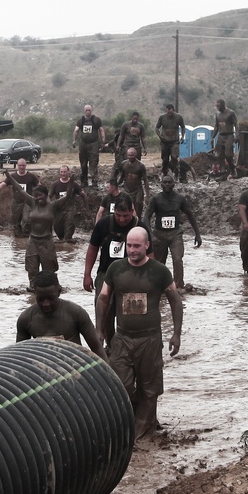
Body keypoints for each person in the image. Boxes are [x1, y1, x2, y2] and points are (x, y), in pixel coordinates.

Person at [96, 226, 183, 440]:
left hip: (150, 339)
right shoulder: (116, 269)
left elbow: (175, 300)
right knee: (121, 385)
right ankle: (136, 421)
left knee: (149, 388)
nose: (132, 250)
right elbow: (104, 298)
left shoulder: (159, 271)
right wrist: (99, 330)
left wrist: (176, 334)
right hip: (122, 338)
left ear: (146, 245)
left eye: (137, 246)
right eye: (129, 245)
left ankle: (143, 435)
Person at [83, 193, 152, 340]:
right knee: (104, 312)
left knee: (132, 313)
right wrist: (87, 274)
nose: (121, 219)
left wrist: (150, 280)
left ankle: (130, 343)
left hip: (133, 276)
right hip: (106, 274)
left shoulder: (140, 228)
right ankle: (108, 342)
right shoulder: (103, 225)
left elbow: (150, 255)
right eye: (118, 215)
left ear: (132, 211)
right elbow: (92, 248)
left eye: (126, 216)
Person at [16, 272, 106, 359]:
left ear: (59, 291)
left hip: (74, 367)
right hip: (43, 368)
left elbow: (97, 349)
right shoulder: (26, 319)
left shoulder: (76, 313)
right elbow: (19, 355)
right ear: (34, 293)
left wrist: (107, 373)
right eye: (41, 299)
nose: (46, 304)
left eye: (51, 298)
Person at [8, 178, 72, 287]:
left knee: (49, 271)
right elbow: (20, 189)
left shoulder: (52, 206)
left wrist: (71, 183)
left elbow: (68, 196)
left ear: (46, 195)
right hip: (33, 241)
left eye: (40, 195)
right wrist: (9, 177)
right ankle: (33, 290)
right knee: (32, 270)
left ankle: (53, 289)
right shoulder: (32, 203)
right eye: (36, 196)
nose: (38, 198)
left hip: (46, 241)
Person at [144, 175, 202, 292]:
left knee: (177, 258)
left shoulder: (180, 199)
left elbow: (190, 214)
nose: (167, 184)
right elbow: (146, 216)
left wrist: (197, 234)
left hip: (175, 233)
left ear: (173, 184)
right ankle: (158, 285)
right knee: (159, 262)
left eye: (169, 182)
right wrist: (150, 235)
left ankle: (179, 285)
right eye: (165, 182)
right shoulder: (156, 199)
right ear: (161, 184)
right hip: (159, 233)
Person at [0, 158, 40, 237]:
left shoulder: (31, 176)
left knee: (26, 219)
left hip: (28, 202)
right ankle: (17, 238)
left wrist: (38, 195)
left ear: (26, 166)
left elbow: (39, 185)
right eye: (20, 165)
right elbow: (3, 183)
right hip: (17, 201)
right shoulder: (13, 176)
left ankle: (27, 235)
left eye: (23, 165)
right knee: (16, 220)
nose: (22, 167)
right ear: (17, 166)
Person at [72, 104, 106, 187]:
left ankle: (94, 181)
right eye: (86, 110)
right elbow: (76, 130)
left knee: (93, 163)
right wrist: (74, 140)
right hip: (83, 144)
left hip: (93, 144)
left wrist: (103, 141)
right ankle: (84, 181)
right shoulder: (81, 120)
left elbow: (101, 130)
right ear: (84, 111)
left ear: (92, 110)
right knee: (83, 163)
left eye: (89, 110)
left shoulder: (97, 120)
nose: (88, 112)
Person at [50, 165, 85, 242]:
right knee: (59, 234)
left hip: (70, 210)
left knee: (68, 233)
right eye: (61, 172)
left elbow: (83, 195)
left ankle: (68, 244)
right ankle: (63, 248)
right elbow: (49, 196)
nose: (63, 174)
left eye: (65, 172)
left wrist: (86, 207)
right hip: (58, 210)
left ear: (68, 172)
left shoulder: (74, 184)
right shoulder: (55, 184)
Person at [115, 146, 150, 218]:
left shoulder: (140, 166)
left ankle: (138, 219)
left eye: (132, 155)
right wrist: (115, 185)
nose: (131, 157)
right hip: (127, 189)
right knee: (126, 204)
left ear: (136, 154)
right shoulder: (124, 164)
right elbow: (122, 177)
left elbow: (145, 180)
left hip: (137, 189)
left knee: (138, 203)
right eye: (129, 155)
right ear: (127, 155)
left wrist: (147, 195)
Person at [155, 104, 185, 178]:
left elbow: (183, 127)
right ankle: (165, 173)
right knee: (165, 159)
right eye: (168, 110)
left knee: (174, 157)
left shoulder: (179, 117)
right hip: (164, 141)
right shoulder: (162, 117)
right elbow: (157, 127)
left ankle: (176, 173)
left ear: (173, 110)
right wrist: (160, 136)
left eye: (170, 110)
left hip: (174, 141)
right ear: (166, 110)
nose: (169, 112)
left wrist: (183, 136)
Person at [213, 99, 239, 175]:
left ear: (223, 105)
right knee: (219, 155)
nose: (217, 108)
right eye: (216, 106)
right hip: (221, 136)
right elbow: (216, 127)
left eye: (218, 106)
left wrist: (237, 135)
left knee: (228, 154)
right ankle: (222, 171)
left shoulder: (231, 113)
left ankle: (232, 168)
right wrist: (212, 137)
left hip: (229, 135)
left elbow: (236, 124)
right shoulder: (218, 115)